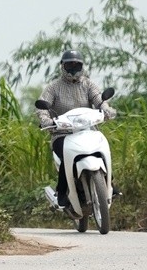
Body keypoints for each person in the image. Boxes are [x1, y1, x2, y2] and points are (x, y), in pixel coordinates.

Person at [36, 50, 116, 210]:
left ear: (82, 66)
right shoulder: (54, 87)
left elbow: (99, 100)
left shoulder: (88, 84)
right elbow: (42, 106)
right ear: (62, 66)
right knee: (66, 156)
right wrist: (45, 120)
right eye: (69, 64)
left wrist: (106, 109)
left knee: (102, 149)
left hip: (87, 131)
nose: (73, 68)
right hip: (62, 134)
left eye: (76, 65)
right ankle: (62, 192)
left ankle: (110, 184)